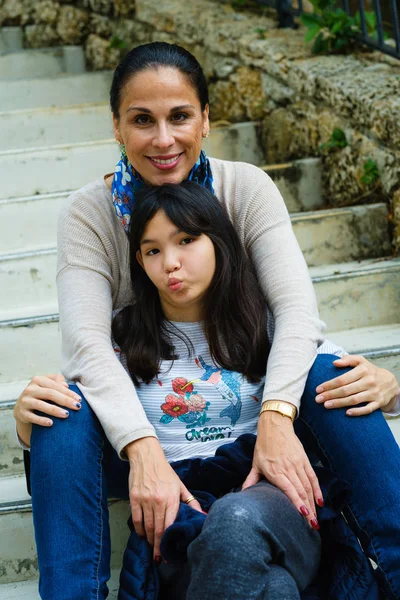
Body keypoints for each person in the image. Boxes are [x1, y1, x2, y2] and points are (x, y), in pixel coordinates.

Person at [13, 42, 400, 599]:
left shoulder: (246, 189)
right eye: (142, 120)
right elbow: (87, 347)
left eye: (180, 116)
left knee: (325, 374)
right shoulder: (87, 216)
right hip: (149, 437)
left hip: (249, 436)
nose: (164, 140)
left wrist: (278, 416)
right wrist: (141, 449)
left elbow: (295, 312)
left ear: (207, 119)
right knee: (61, 408)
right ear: (116, 127)